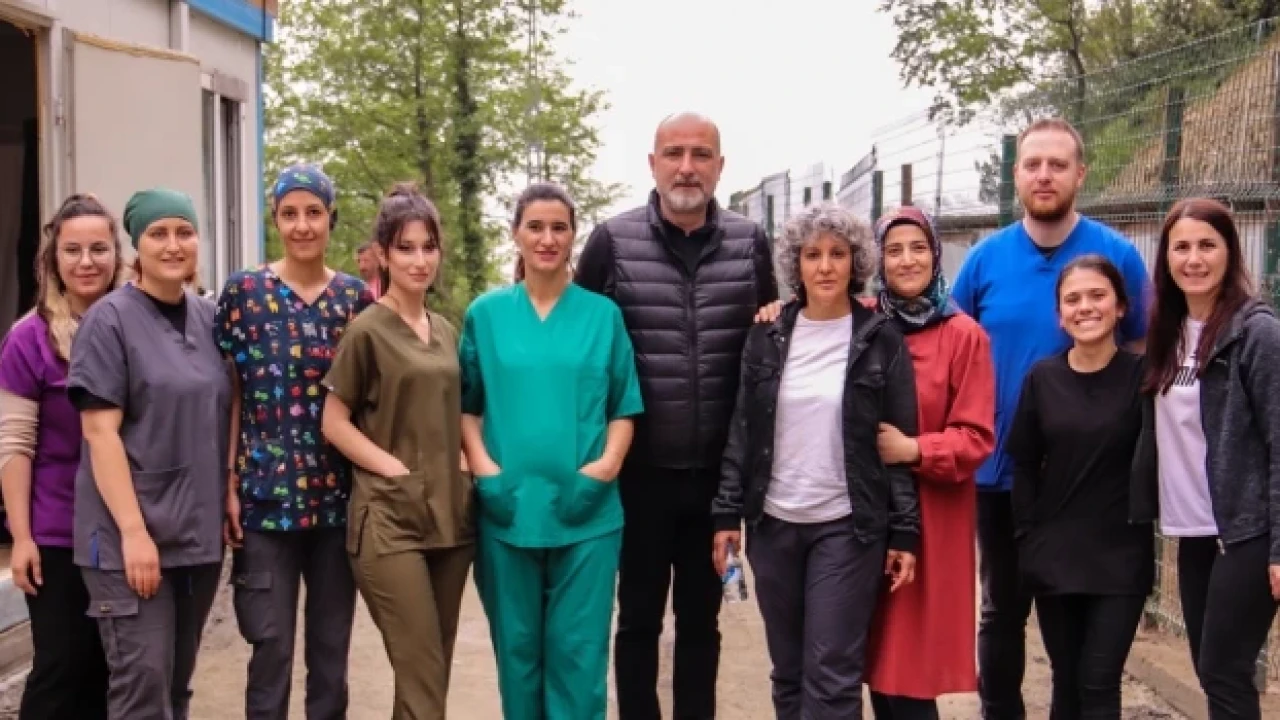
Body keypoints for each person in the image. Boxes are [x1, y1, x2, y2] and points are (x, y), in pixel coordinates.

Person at [575, 111, 778, 719]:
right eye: (673, 153)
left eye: (700, 154)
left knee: (700, 623)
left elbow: (769, 338)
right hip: (637, 476)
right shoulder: (612, 242)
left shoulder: (750, 243)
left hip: (716, 481)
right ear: (652, 163)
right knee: (637, 619)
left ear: (720, 166)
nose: (686, 167)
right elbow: (581, 345)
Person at [949, 117, 1152, 720]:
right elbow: (949, 345)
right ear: (1016, 175)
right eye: (1033, 164)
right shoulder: (985, 260)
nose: (1044, 175)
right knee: (1001, 612)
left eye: (1058, 165)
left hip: (1089, 484)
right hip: (1002, 473)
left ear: (1080, 174)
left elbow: (1141, 350)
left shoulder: (1117, 256)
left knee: (1079, 647)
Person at [710, 203, 920, 719]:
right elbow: (742, 429)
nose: (825, 266)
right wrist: (726, 513)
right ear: (795, 264)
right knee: (788, 672)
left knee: (832, 673)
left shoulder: (880, 339)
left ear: (856, 262)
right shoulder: (766, 336)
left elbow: (896, 442)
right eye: (812, 255)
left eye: (838, 254)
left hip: (847, 527)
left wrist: (905, 531)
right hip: (774, 525)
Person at [460, 182, 644, 719]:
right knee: (517, 658)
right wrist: (486, 473)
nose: (547, 239)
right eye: (535, 227)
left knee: (579, 660)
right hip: (508, 511)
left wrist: (605, 467)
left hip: (587, 514)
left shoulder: (602, 316)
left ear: (573, 235)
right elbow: (466, 407)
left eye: (559, 228)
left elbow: (623, 407)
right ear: (515, 234)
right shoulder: (486, 315)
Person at [215, 163, 373, 720]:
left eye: (313, 213)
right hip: (264, 504)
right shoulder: (244, 293)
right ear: (275, 220)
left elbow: (369, 402)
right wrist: (228, 483)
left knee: (330, 654)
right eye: (289, 214)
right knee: (270, 648)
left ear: (331, 218)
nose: (302, 225)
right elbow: (232, 393)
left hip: (337, 505)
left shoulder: (356, 300)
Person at [67, 188, 230, 720]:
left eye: (185, 232)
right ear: (137, 244)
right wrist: (134, 534)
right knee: (143, 688)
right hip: (128, 540)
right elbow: (100, 434)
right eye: (158, 233)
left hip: (196, 537)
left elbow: (225, 412)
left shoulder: (208, 319)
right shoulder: (109, 321)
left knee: (177, 688)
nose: (173, 244)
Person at [320, 182, 473, 720]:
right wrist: (392, 467)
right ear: (382, 254)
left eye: (428, 247)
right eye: (406, 248)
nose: (419, 259)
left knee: (428, 679)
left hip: (451, 519)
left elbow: (457, 411)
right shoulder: (366, 331)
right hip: (388, 522)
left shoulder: (447, 331)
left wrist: (463, 466)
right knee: (422, 673)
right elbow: (333, 422)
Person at [1132, 198, 1280, 720]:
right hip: (1192, 530)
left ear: (1230, 252)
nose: (1193, 259)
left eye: (1207, 246)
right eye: (1181, 247)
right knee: (1210, 668)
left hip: (1245, 530)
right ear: (1166, 258)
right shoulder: (1165, 332)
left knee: (1224, 670)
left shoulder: (1256, 333)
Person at [1006, 255, 1154, 718]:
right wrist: (1027, 539)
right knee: (1066, 681)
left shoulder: (1144, 378)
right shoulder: (1042, 378)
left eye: (1097, 295)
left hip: (1121, 557)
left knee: (1099, 681)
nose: (1085, 307)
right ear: (1059, 315)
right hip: (1056, 557)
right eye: (1072, 299)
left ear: (1121, 307)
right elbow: (1024, 465)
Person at [864, 207, 995, 720]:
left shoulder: (964, 335)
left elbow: (976, 436)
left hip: (933, 518)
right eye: (893, 250)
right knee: (875, 663)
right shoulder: (861, 323)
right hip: (867, 513)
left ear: (936, 255)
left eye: (918, 248)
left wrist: (915, 450)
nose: (907, 260)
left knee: (911, 670)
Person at [0, 194, 123, 719]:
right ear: (53, 258)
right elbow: (14, 444)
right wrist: (22, 537)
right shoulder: (28, 339)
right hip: (57, 533)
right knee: (62, 668)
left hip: (125, 528)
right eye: (73, 250)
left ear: (117, 254)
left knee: (111, 671)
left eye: (99, 248)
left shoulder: (136, 327)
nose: (86, 261)